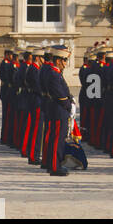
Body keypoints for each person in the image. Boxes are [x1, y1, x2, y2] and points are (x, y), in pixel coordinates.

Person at [40, 44, 74, 177]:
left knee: (53, 137)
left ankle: (51, 163)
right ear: (58, 60)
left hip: (54, 108)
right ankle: (55, 166)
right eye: (64, 60)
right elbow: (59, 94)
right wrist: (68, 105)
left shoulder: (53, 71)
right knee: (57, 139)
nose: (65, 64)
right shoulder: (53, 74)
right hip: (58, 109)